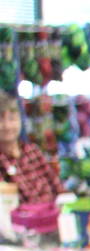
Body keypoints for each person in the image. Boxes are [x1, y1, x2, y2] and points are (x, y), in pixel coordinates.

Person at [0, 95, 63, 223]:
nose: (7, 126)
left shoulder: (32, 151)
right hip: (19, 228)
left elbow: (57, 186)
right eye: (1, 120)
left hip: (51, 220)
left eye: (12, 119)